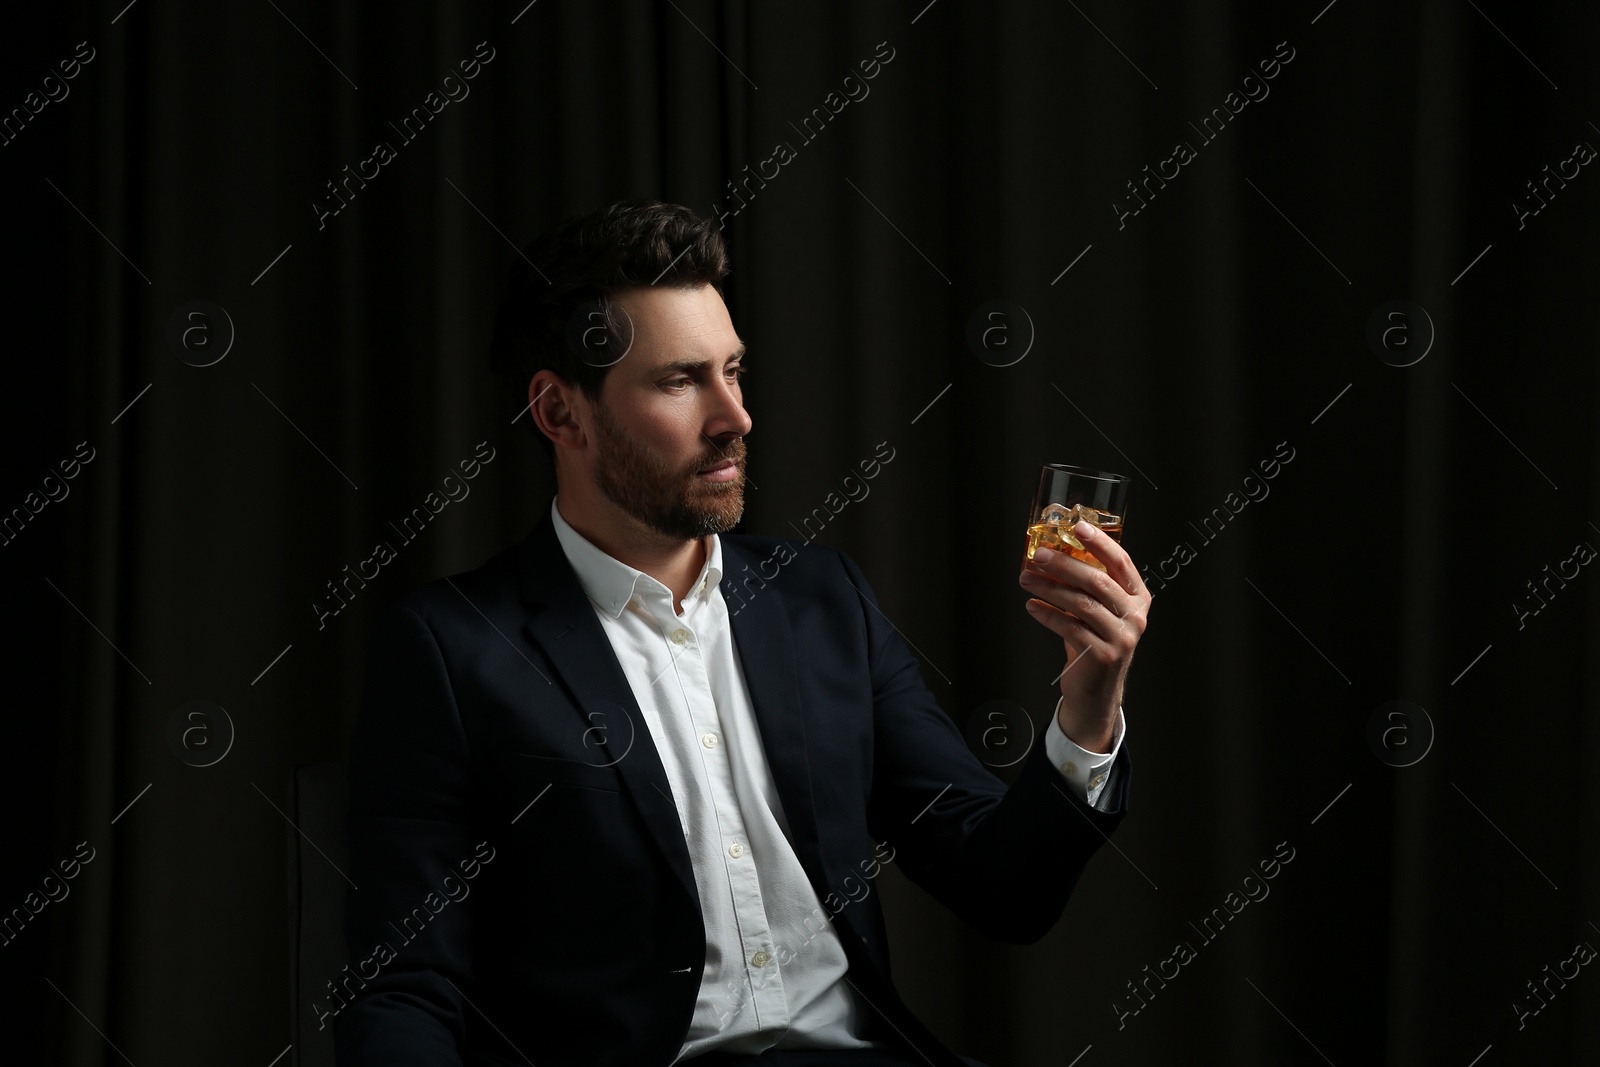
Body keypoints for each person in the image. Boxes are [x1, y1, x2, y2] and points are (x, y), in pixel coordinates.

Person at [334, 200, 1153, 1067]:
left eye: (734, 371)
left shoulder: (822, 599)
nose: (736, 417)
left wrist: (1087, 711)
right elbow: (403, 983)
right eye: (681, 380)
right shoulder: (451, 647)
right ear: (559, 414)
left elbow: (1002, 890)